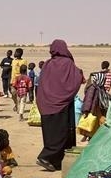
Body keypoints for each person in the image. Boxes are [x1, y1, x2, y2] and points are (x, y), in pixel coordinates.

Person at [35, 40, 83, 171]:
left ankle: (57, 162)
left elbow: (42, 83)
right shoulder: (68, 63)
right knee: (61, 134)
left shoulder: (47, 64)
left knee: (50, 133)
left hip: (46, 104)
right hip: (61, 105)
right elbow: (76, 79)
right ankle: (45, 157)